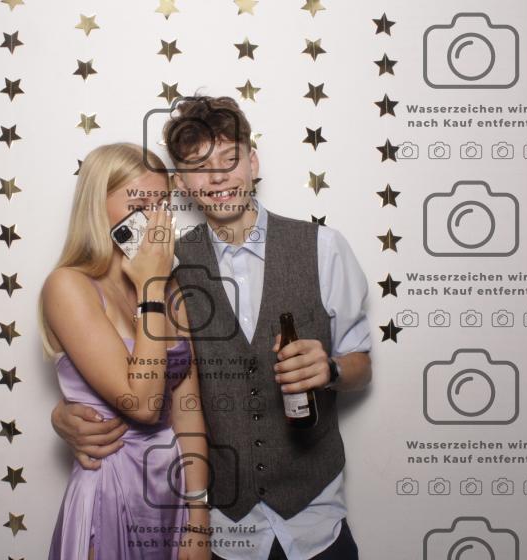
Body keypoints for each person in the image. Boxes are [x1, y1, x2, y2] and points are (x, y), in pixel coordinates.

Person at [52, 96, 373, 560]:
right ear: (182, 184)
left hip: (315, 516)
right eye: (200, 167)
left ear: (253, 162)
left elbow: (362, 365)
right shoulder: (166, 266)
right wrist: (69, 411)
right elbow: (144, 377)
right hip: (224, 525)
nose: (218, 177)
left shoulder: (324, 248)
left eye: (229, 159)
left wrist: (333, 369)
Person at [39, 143, 211, 560]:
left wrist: (198, 517)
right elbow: (145, 404)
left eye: (161, 205)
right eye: (138, 205)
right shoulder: (69, 285)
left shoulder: (173, 291)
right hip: (112, 489)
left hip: (171, 492)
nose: (153, 219)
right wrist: (150, 287)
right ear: (97, 207)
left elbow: (187, 411)